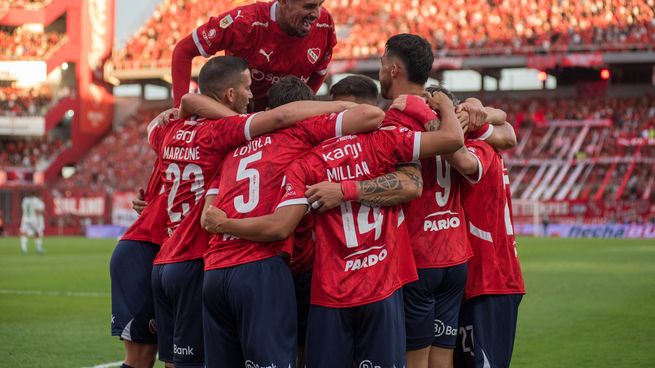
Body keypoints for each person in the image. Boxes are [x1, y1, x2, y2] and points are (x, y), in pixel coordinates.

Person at [203, 90, 464, 368]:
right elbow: (450, 142)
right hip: (380, 287)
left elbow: (281, 224)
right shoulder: (384, 139)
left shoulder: (305, 163)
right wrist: (446, 105)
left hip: (329, 290)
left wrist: (341, 190)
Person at [149, 56, 357, 368]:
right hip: (260, 264)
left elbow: (177, 109)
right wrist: (340, 107)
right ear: (230, 94)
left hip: (188, 262)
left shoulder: (196, 138)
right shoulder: (234, 134)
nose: (251, 95)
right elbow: (278, 228)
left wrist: (179, 112)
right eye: (247, 87)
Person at [197, 75, 383, 367]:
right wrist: (338, 107)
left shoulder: (234, 145)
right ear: (306, 107)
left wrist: (222, 223)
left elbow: (207, 215)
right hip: (261, 267)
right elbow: (372, 115)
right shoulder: (301, 132)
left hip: (214, 273)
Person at [447, 134, 526, 368]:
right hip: (479, 279)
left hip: (490, 280)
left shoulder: (477, 147)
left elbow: (465, 162)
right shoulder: (486, 140)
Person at [172, 0, 336, 111]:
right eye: (309, 6)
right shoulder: (244, 22)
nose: (316, 13)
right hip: (236, 120)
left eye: (320, 4)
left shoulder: (325, 23)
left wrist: (297, 108)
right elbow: (183, 51)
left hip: (283, 121)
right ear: (284, 2)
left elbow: (319, 73)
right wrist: (179, 109)